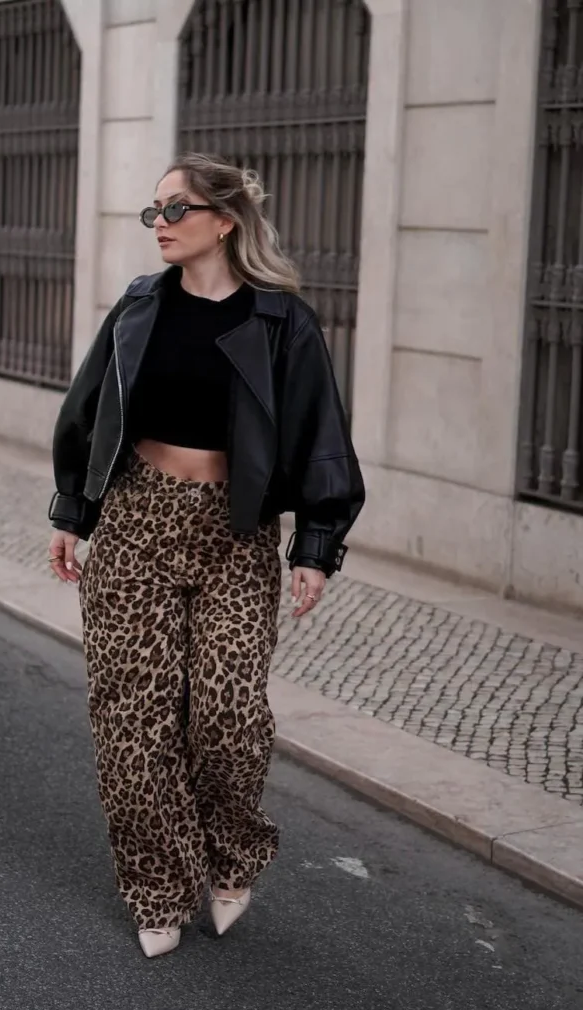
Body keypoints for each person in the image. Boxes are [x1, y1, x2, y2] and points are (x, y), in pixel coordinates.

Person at [47, 152, 364, 958]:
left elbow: (322, 436)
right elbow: (88, 410)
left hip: (237, 533)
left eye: (175, 209)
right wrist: (71, 513)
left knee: (226, 718)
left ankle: (232, 853)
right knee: (132, 724)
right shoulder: (139, 305)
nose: (160, 225)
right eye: (152, 211)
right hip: (136, 524)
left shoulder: (281, 321)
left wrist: (317, 546)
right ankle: (156, 885)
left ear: (223, 220)